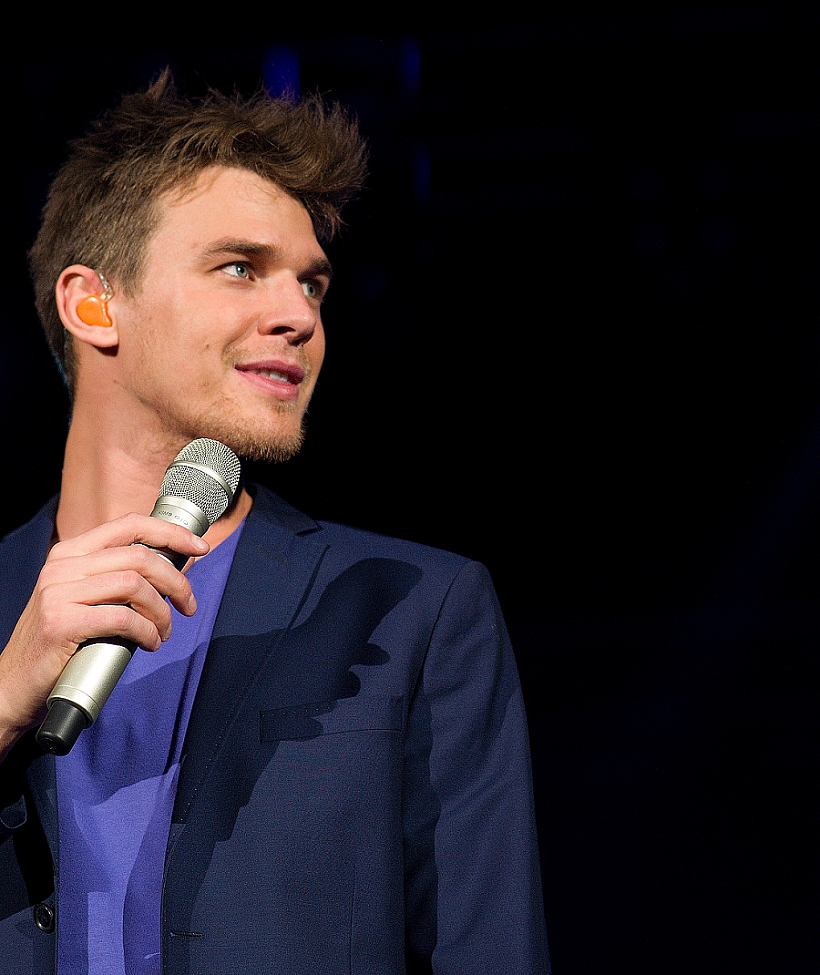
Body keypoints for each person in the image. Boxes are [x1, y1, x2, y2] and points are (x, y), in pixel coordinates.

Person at [0, 71, 549, 974]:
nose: (298, 316)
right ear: (93, 303)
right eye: (240, 268)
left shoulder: (410, 609)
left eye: (314, 285)